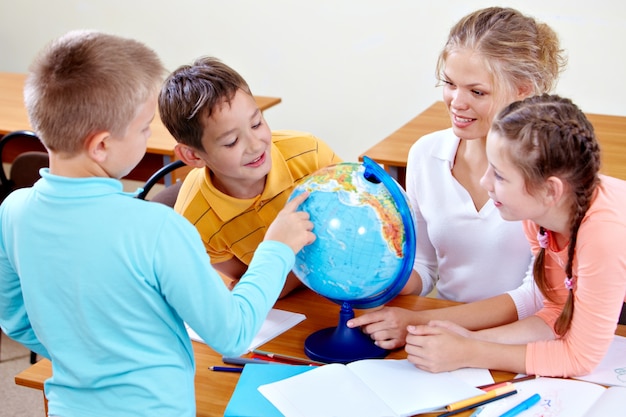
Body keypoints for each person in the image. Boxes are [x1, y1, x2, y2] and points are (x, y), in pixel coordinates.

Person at [0, 31, 315, 417]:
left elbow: (15, 319)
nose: (149, 136)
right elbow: (233, 333)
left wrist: (86, 354)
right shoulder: (157, 228)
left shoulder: (12, 210)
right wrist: (277, 247)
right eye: (145, 128)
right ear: (101, 145)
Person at [348, 6, 566, 348]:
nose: (456, 102)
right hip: (441, 337)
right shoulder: (425, 154)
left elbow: (535, 297)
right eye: (449, 84)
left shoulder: (552, 174)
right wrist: (374, 279)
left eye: (477, 92)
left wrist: (421, 322)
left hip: (518, 342)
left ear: (523, 91)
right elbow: (424, 263)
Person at [405, 94, 626, 376]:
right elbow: (555, 312)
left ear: (550, 190)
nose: (485, 183)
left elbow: (579, 358)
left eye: (499, 176)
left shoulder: (603, 235)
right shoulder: (540, 215)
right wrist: (468, 339)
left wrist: (469, 352)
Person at [158, 57, 341, 298]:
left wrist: (285, 277)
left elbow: (272, 284)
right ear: (192, 155)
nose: (255, 146)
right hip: (292, 310)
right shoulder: (193, 219)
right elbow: (251, 281)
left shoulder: (311, 155)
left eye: (256, 124)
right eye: (231, 141)